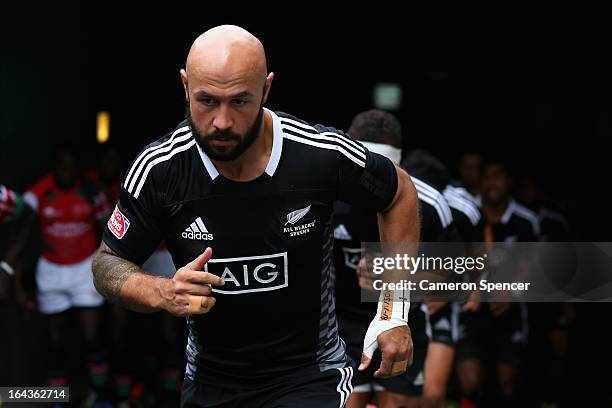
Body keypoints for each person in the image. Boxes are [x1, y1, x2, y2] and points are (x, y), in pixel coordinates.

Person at [92, 25, 419, 407]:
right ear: (184, 86)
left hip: (309, 374)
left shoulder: (317, 155)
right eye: (207, 101)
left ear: (266, 90)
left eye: (240, 102)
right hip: (211, 379)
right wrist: (163, 292)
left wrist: (394, 310)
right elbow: (107, 263)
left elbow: (399, 194)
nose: (222, 122)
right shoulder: (161, 169)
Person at [333, 110, 429, 408]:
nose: (372, 181)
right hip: (341, 326)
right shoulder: (326, 200)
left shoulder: (429, 204)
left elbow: (462, 277)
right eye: (364, 169)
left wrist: (396, 280)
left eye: (383, 169)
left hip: (405, 321)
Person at [23, 146, 110, 403]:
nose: (67, 172)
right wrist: (11, 272)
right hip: (50, 271)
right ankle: (57, 398)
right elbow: (22, 231)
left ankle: (100, 395)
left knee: (91, 338)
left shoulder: (93, 193)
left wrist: (113, 269)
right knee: (56, 342)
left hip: (84, 268)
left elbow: (110, 231)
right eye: (62, 166)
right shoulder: (39, 192)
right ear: (54, 168)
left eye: (71, 166)